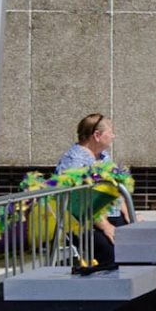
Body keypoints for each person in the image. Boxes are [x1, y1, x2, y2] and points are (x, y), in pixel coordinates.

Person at [57, 113, 136, 268]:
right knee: (113, 255)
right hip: (86, 223)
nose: (114, 136)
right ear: (97, 135)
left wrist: (129, 214)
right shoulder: (75, 162)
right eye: (110, 132)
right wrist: (106, 227)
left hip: (110, 216)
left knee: (138, 248)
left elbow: (115, 186)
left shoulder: (103, 156)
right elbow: (80, 202)